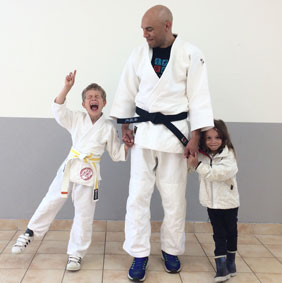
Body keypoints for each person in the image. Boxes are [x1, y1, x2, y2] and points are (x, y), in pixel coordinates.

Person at [110, 4, 214, 282]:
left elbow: (199, 97)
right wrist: (125, 126)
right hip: (143, 134)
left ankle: (170, 249)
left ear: (167, 26)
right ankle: (139, 253)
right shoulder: (138, 54)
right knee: (138, 197)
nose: (144, 34)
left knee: (174, 198)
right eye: (143, 29)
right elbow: (126, 91)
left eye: (149, 29)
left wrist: (195, 136)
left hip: (176, 136)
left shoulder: (191, 54)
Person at [11, 70, 128, 271]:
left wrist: (128, 143)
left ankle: (76, 254)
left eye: (97, 97)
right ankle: (30, 232)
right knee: (51, 199)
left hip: (90, 172)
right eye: (89, 97)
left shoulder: (108, 126)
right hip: (70, 166)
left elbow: (117, 155)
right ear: (83, 104)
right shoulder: (76, 118)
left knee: (84, 214)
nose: (93, 99)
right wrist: (67, 87)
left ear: (104, 103)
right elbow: (58, 110)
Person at [188, 119, 239, 282]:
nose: (213, 141)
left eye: (217, 137)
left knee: (231, 233)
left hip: (229, 202)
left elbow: (220, 174)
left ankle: (231, 262)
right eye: (208, 138)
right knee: (218, 233)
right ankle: (221, 268)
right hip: (211, 202)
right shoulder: (202, 155)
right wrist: (190, 160)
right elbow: (191, 168)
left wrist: (198, 166)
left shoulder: (229, 154)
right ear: (203, 139)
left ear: (224, 138)